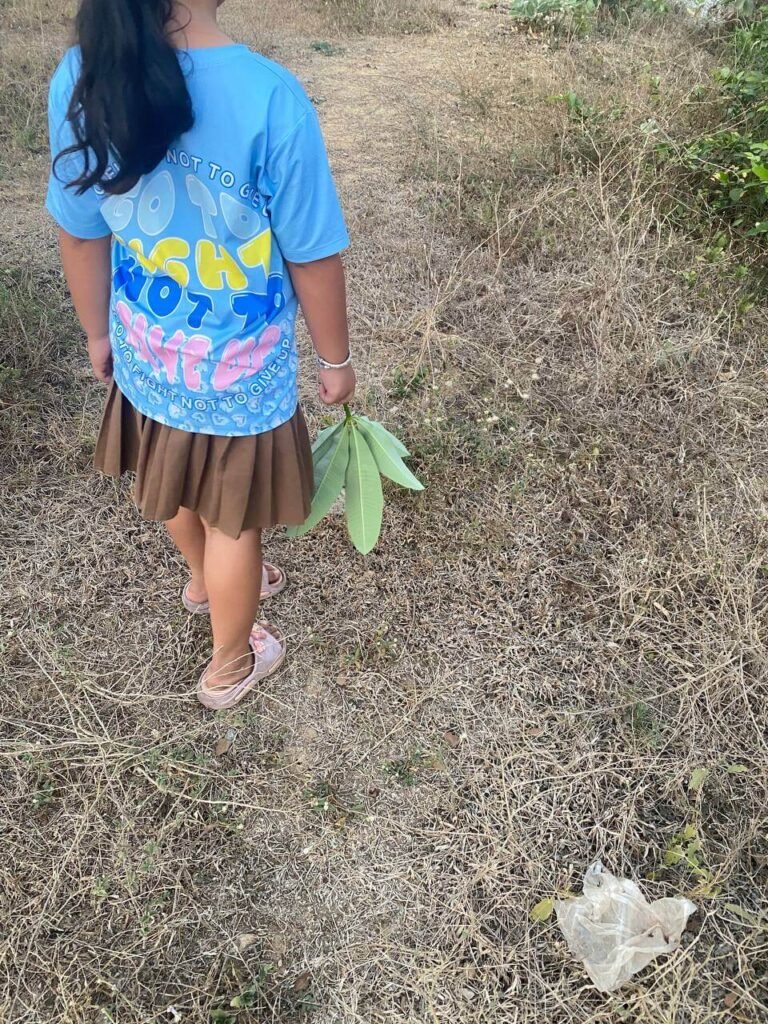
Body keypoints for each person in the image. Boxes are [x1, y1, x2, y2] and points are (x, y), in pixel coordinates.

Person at [46, 0, 355, 710]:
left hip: (148, 351)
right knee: (234, 522)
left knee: (169, 470)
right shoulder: (270, 96)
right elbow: (312, 254)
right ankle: (229, 663)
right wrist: (335, 361)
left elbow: (80, 229)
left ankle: (200, 581)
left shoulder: (82, 72)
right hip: (239, 373)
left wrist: (98, 332)